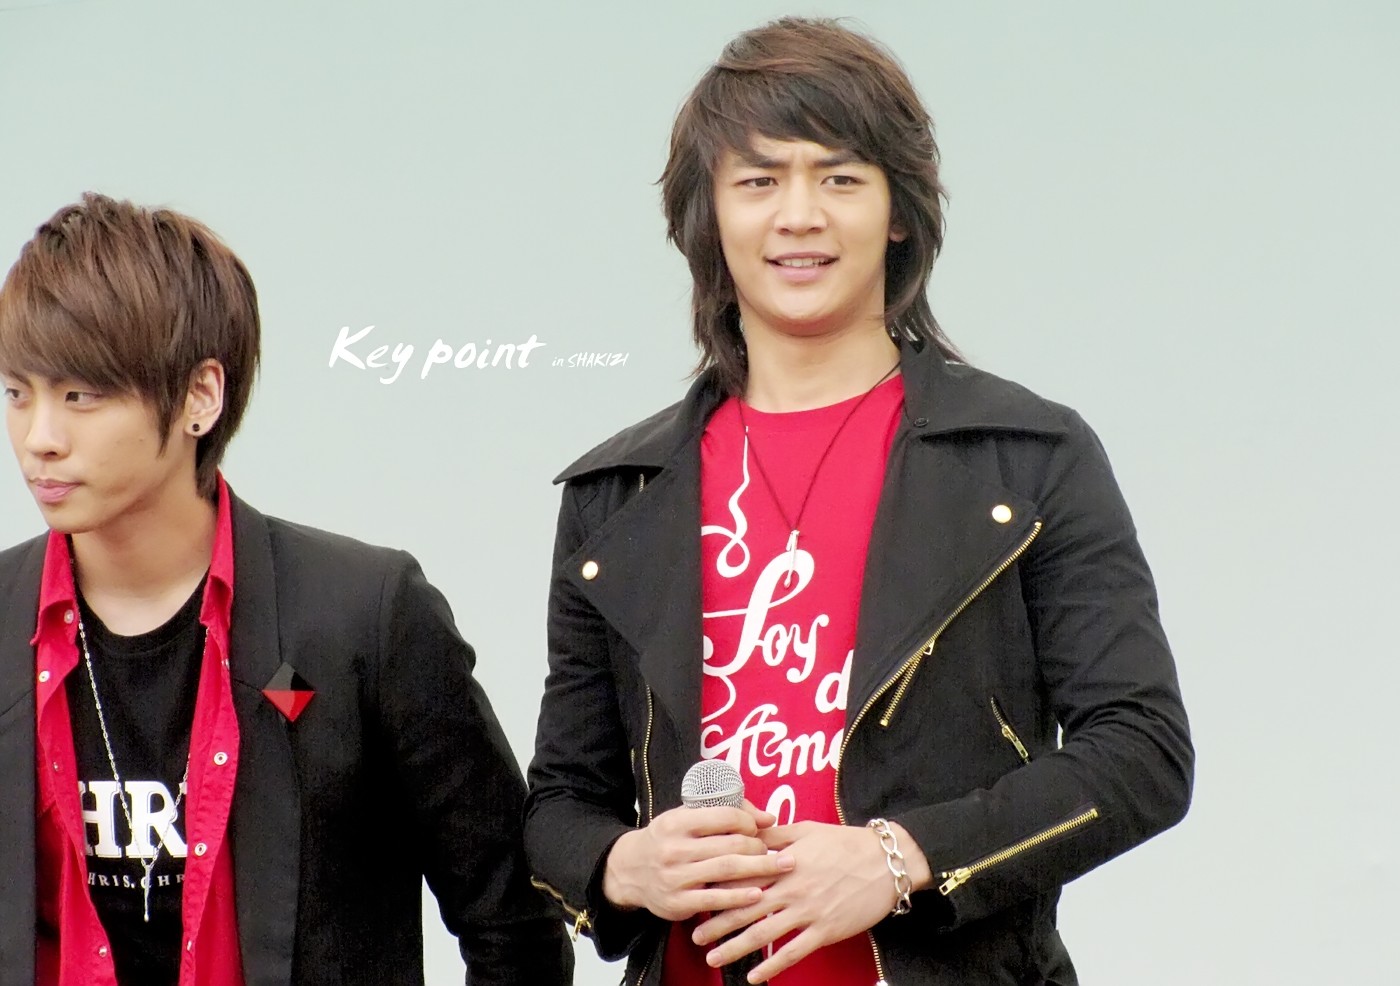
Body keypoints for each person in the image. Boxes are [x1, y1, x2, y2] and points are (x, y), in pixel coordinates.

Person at [524, 16, 1192, 986]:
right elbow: (558, 805)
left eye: (839, 178)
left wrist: (900, 857)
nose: (799, 215)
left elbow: (1141, 752)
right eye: (758, 181)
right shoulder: (616, 495)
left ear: (898, 214)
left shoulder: (1027, 459)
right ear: (708, 218)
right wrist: (626, 864)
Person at [0, 193, 573, 986]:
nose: (39, 438)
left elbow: (513, 927)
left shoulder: (363, 615)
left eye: (81, 396)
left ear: (200, 396)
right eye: (17, 393)